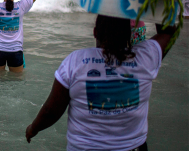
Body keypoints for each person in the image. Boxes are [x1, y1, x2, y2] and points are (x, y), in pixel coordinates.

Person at [25, 15, 176, 150]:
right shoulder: (146, 57)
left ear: (95, 32)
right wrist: (157, 0)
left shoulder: (75, 61)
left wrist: (33, 128)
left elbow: (51, 111)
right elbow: (168, 32)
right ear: (130, 33)